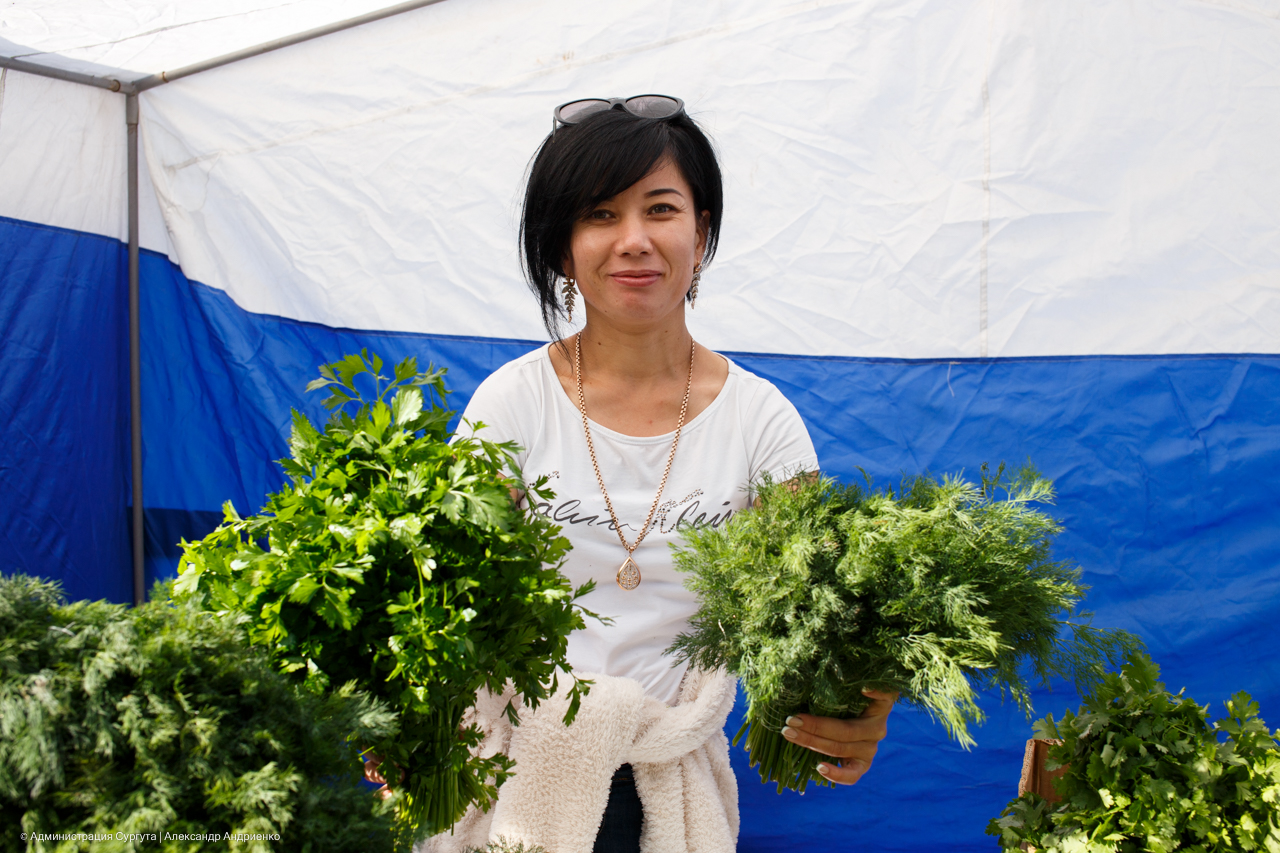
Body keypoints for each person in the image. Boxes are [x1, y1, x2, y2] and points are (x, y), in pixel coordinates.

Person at [427, 96, 895, 853]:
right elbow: (445, 595)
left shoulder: (760, 421)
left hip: (670, 786)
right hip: (516, 775)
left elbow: (816, 611)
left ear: (700, 233)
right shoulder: (511, 404)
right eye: (600, 215)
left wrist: (864, 700)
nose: (634, 240)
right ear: (562, 248)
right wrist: (411, 716)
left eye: (661, 209)